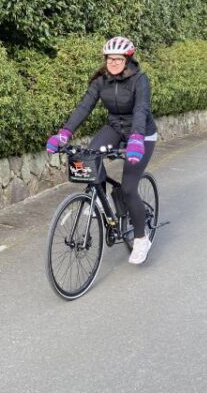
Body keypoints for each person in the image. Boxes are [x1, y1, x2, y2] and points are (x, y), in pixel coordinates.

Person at [46, 36, 158, 264]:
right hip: (115, 127)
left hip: (142, 134)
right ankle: (99, 196)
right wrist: (64, 133)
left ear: (127, 60)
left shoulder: (139, 80)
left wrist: (136, 137)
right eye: (110, 58)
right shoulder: (101, 81)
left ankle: (140, 238)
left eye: (118, 59)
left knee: (128, 188)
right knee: (90, 157)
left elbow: (141, 109)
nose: (114, 62)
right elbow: (84, 107)